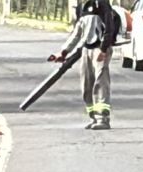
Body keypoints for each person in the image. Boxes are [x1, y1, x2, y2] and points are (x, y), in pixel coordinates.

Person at [49, 0, 117, 130]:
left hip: (100, 49)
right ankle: (93, 117)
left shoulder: (101, 4)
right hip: (86, 49)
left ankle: (103, 119)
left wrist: (103, 49)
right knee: (86, 85)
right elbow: (77, 33)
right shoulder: (82, 8)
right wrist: (64, 52)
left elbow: (109, 28)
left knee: (100, 83)